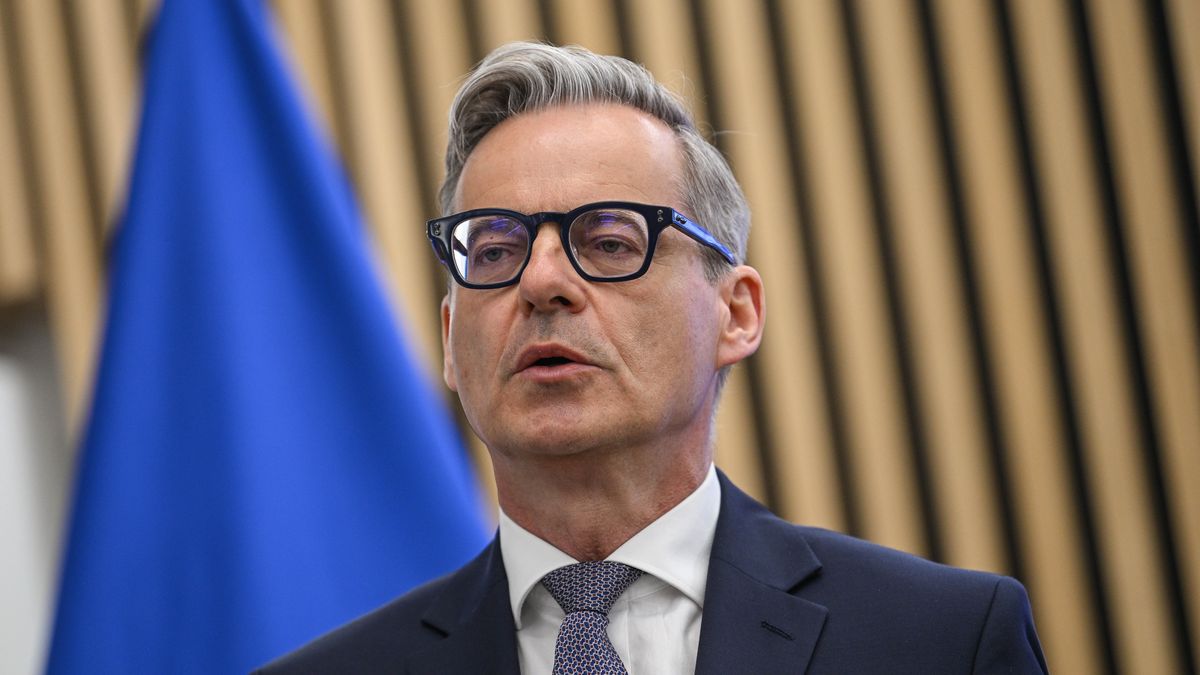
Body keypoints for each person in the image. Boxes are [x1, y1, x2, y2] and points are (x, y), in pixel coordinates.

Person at [259, 42, 1047, 674]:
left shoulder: (942, 640)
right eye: (495, 250)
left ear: (736, 312)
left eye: (608, 240)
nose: (540, 281)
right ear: (449, 342)